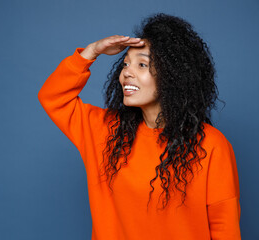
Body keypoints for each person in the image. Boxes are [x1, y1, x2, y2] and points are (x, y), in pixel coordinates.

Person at [38, 13, 241, 240]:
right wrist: (91, 51)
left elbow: (225, 229)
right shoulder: (104, 131)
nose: (127, 73)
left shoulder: (211, 145)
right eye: (125, 64)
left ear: (173, 77)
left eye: (142, 64)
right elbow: (53, 97)